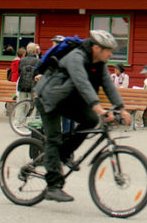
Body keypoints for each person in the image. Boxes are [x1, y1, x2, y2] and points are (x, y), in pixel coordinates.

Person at [33, 30, 129, 203]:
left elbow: (108, 85)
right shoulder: (75, 57)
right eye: (108, 50)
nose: (111, 54)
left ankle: (63, 153)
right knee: (54, 139)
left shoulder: (99, 63)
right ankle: (53, 187)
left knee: (91, 120)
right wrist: (98, 108)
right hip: (49, 98)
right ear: (97, 48)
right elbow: (82, 82)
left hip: (67, 99)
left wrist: (121, 108)